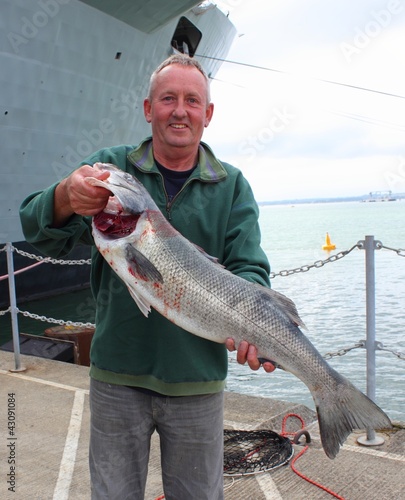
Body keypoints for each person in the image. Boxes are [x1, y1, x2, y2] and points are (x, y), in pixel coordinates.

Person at [20, 54, 275, 500]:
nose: (180, 110)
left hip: (198, 381)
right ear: (147, 108)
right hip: (117, 377)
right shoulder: (112, 173)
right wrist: (66, 194)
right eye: (168, 98)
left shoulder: (233, 186)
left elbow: (249, 267)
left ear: (208, 114)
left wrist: (258, 324)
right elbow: (39, 231)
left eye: (192, 100)